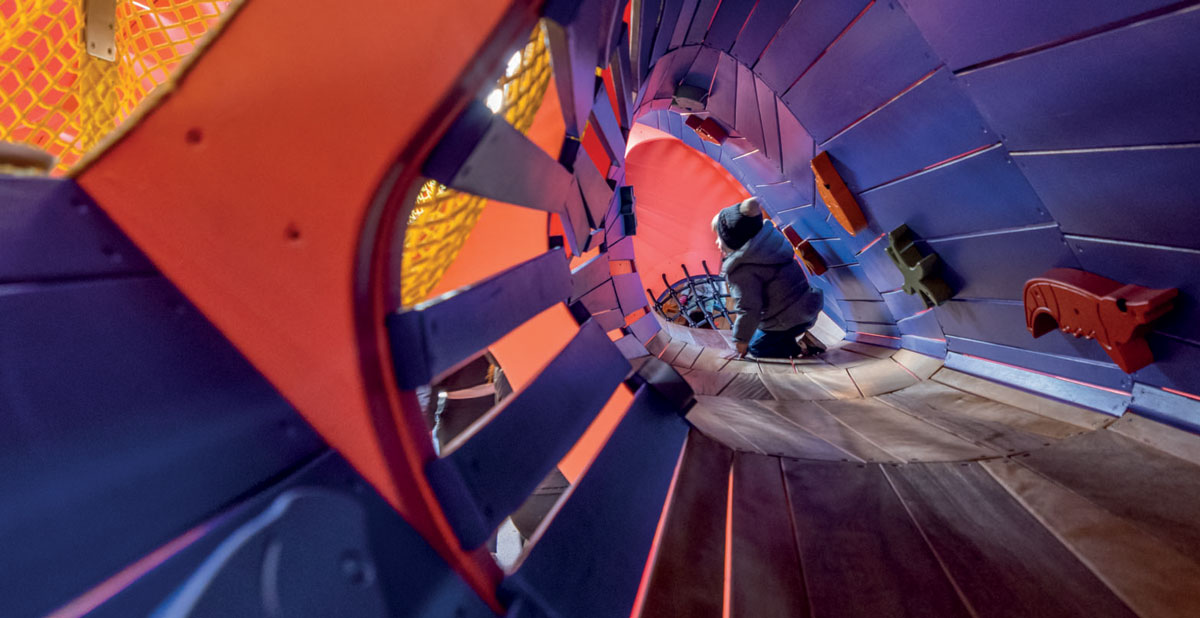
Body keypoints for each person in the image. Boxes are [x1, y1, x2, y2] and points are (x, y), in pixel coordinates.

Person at [713, 197, 825, 359]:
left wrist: (741, 341)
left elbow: (749, 308)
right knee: (764, 331)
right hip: (810, 304)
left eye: (719, 237)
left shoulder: (742, 269)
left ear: (732, 239)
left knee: (756, 347)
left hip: (787, 319)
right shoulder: (773, 243)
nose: (717, 242)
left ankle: (800, 348)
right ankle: (801, 339)